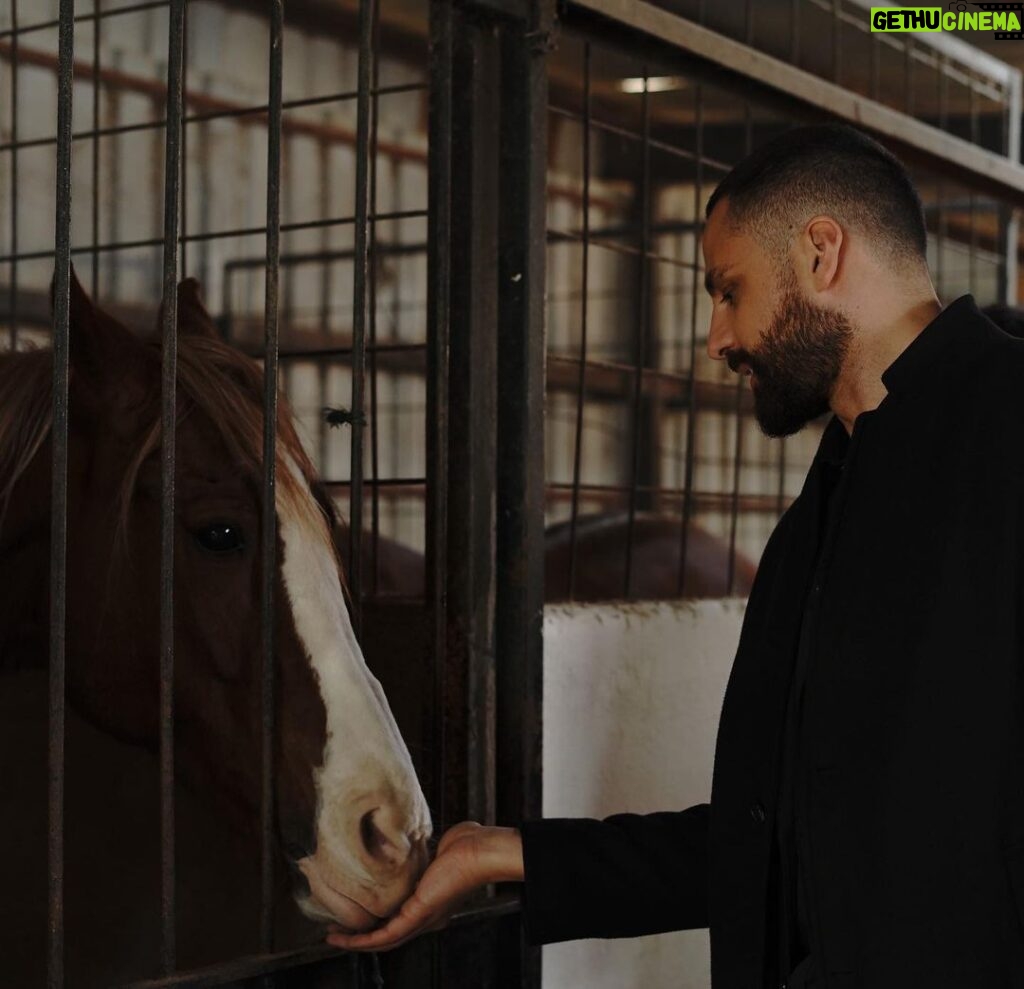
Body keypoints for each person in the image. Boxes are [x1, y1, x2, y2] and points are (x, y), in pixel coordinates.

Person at [326, 124, 1024, 988]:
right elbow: (761, 842)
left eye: (729, 290)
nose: (716, 338)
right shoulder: (822, 511)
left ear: (820, 252)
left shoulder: (1010, 428)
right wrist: (503, 853)